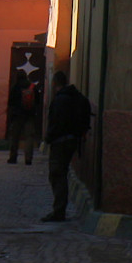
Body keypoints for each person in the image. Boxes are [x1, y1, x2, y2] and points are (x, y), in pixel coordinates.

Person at [41, 71, 92, 222]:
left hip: (60, 142)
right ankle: (59, 209)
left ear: (55, 83)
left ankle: (59, 211)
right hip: (73, 140)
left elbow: (56, 123)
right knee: (61, 173)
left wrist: (48, 138)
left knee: (57, 174)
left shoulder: (60, 100)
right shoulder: (77, 97)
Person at [6, 74, 43, 166]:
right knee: (29, 137)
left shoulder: (15, 88)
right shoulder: (32, 87)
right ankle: (28, 158)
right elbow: (38, 101)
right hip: (30, 115)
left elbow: (10, 102)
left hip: (17, 116)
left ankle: (13, 157)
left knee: (15, 137)